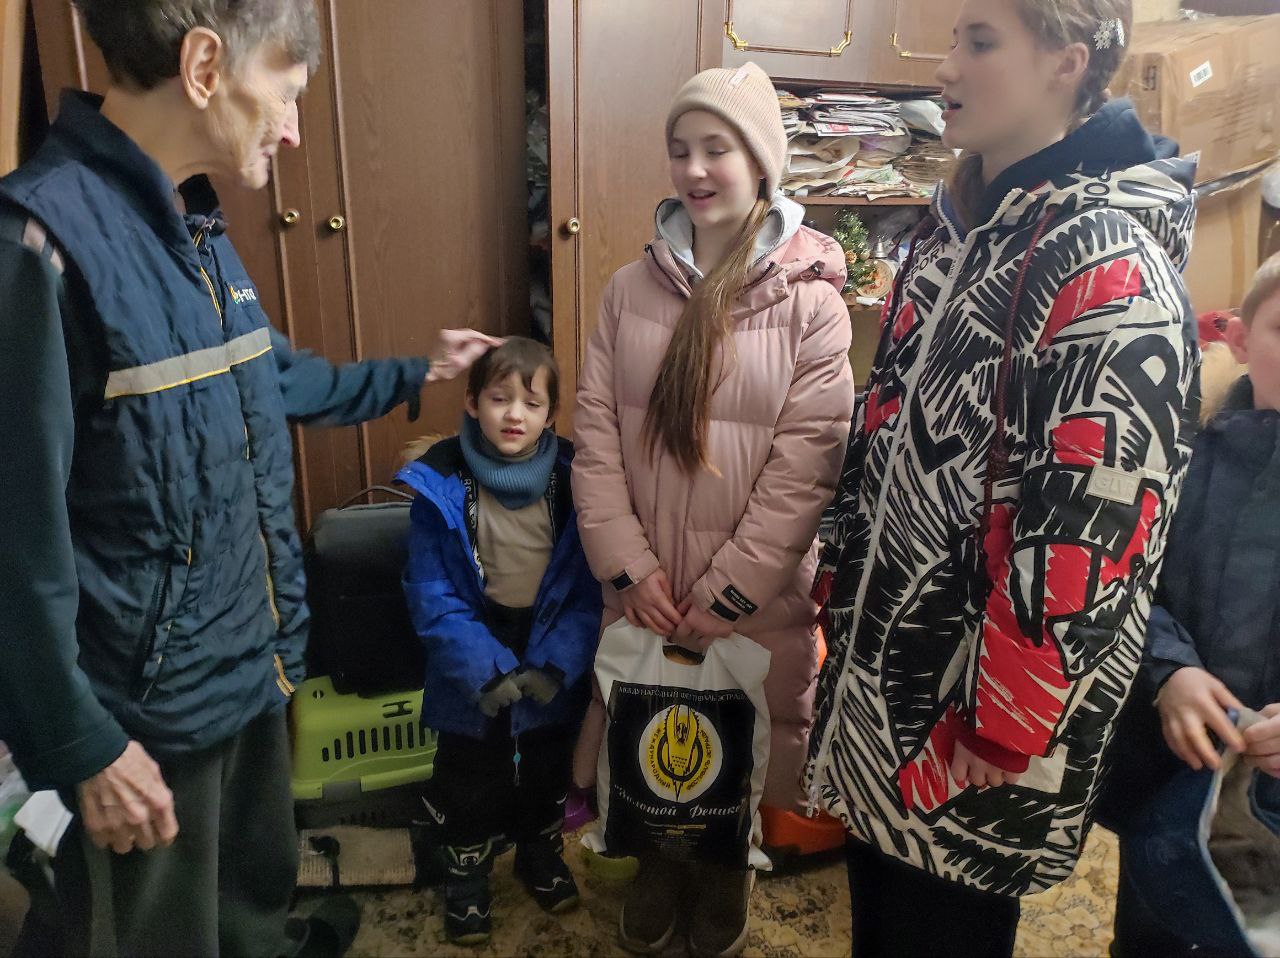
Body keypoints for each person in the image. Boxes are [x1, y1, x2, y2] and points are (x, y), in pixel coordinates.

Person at [0, 1, 495, 954]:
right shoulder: (38, 246)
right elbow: (15, 546)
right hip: (147, 714)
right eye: (287, 92)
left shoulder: (197, 229)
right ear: (203, 68)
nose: (294, 128)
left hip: (252, 660)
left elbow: (276, 377)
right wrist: (80, 743)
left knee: (254, 897)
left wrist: (415, 375)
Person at [805, 2, 1199, 955]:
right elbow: (886, 426)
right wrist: (838, 578)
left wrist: (1005, 722)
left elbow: (1096, 526)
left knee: (941, 932)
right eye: (954, 40)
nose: (945, 69)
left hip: (974, 729)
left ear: (1068, 62)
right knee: (882, 926)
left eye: (980, 42)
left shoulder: (1111, 269)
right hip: (883, 681)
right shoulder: (958, 230)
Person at [572, 62, 854, 957]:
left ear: (760, 162)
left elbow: (805, 470)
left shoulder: (813, 306)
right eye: (680, 149)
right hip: (649, 590)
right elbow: (595, 442)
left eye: (716, 149)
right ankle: (657, 862)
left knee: (736, 748)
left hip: (750, 604)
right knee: (651, 741)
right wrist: (630, 570)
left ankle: (727, 868)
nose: (694, 170)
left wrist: (730, 592)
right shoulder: (628, 292)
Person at [398, 338, 600, 946]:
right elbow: (432, 592)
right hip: (472, 651)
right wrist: (483, 670)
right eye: (499, 398)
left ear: (551, 414)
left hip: (547, 645)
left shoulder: (573, 481)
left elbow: (586, 590)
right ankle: (466, 879)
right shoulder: (441, 481)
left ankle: (539, 855)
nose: (515, 414)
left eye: (531, 403)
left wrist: (558, 664)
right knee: (469, 776)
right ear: (471, 402)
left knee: (546, 767)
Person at [1104, 255, 1280, 956]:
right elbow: (1126, 576)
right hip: (1173, 779)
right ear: (1238, 338)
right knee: (1153, 931)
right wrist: (1170, 670)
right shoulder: (1179, 457)